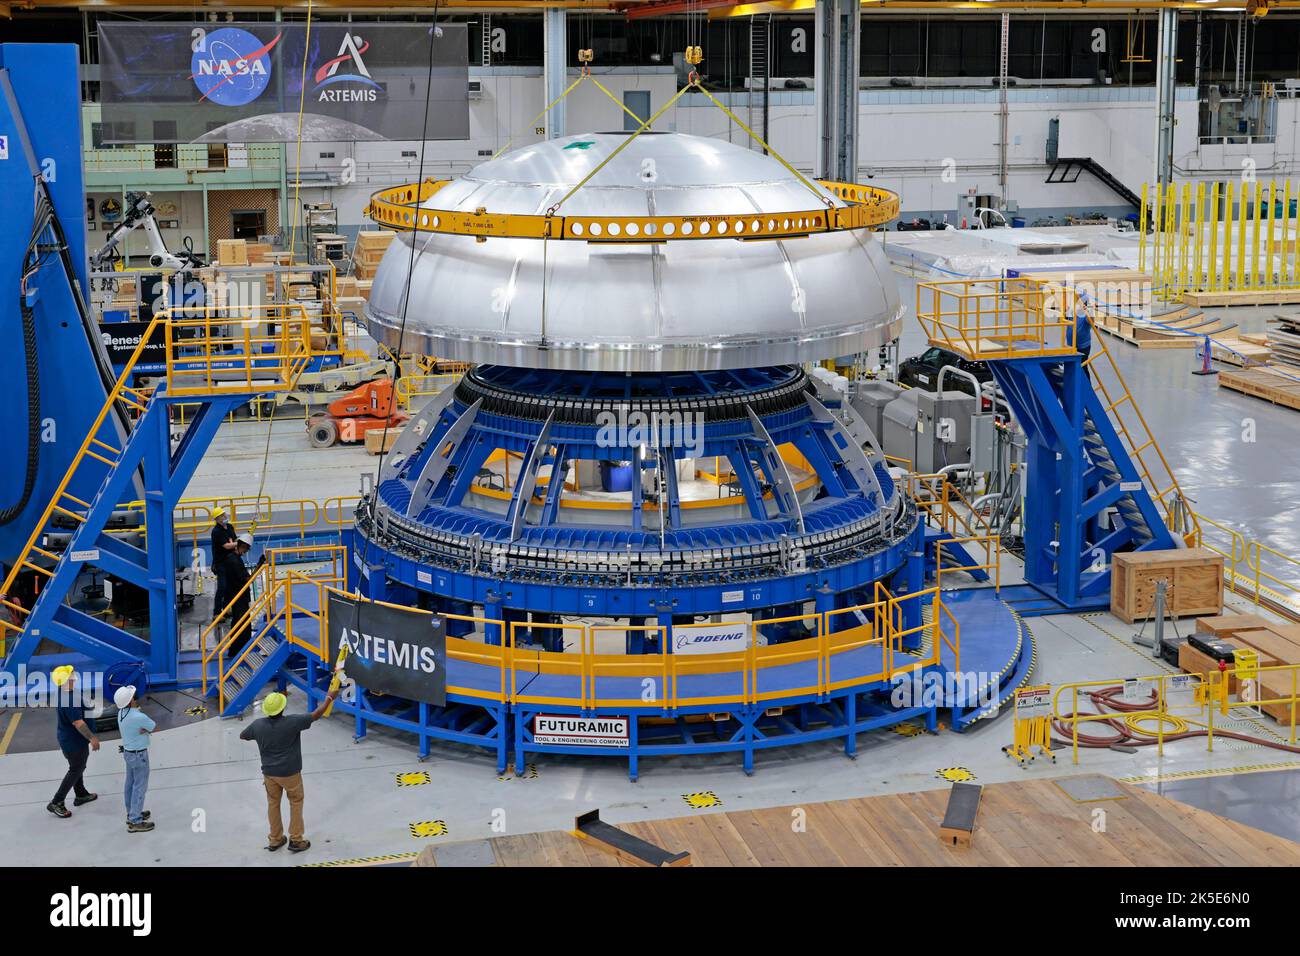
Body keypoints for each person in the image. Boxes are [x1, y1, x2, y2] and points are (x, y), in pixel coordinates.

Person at [239, 689, 337, 853]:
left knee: (273, 804)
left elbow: (243, 735)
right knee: (296, 803)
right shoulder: (293, 722)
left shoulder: (258, 725)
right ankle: (296, 840)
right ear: (283, 708)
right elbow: (317, 714)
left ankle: (276, 839)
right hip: (291, 773)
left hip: (270, 774)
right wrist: (329, 698)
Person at [47, 666, 99, 818]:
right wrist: (92, 738)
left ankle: (81, 794)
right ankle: (56, 801)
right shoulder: (68, 700)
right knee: (76, 768)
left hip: (73, 739)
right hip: (73, 741)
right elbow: (78, 723)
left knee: (78, 766)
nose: (73, 675)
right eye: (70, 674)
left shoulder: (67, 691)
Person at [114, 685, 155, 833]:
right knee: (140, 786)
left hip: (129, 754)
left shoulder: (121, 714)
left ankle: (131, 812)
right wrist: (144, 728)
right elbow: (152, 726)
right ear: (131, 700)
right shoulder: (138, 717)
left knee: (130, 783)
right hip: (139, 755)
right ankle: (135, 820)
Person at [220, 533, 262, 662]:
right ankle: (239, 650)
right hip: (239, 598)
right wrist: (259, 566)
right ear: (242, 546)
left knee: (239, 624)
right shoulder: (234, 561)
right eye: (247, 548)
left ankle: (237, 650)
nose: (247, 551)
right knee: (242, 625)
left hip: (237, 597)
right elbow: (247, 580)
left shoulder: (233, 558)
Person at [210, 507, 238, 623]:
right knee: (222, 587)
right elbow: (226, 546)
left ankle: (226, 609)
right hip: (220, 562)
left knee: (230, 586)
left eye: (224, 514)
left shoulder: (230, 527)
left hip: (231, 561)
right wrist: (239, 544)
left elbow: (234, 539)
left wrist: (238, 544)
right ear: (217, 519)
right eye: (222, 515)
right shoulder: (216, 531)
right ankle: (217, 613)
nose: (225, 516)